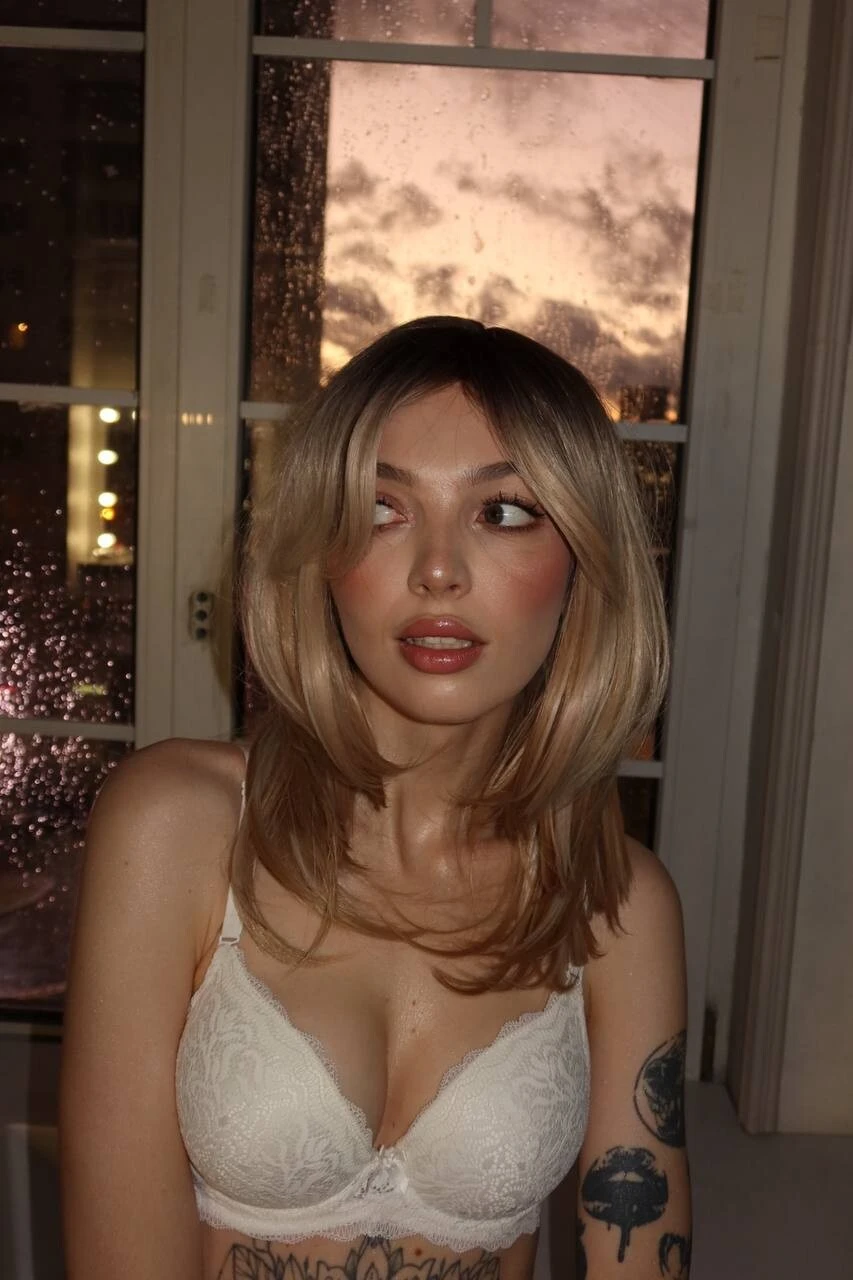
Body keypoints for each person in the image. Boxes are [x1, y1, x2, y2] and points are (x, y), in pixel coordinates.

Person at [59, 317, 691, 1280]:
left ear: (584, 564)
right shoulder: (177, 826)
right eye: (382, 509)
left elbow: (639, 1244)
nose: (437, 570)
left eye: (503, 511)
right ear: (321, 552)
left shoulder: (618, 904)